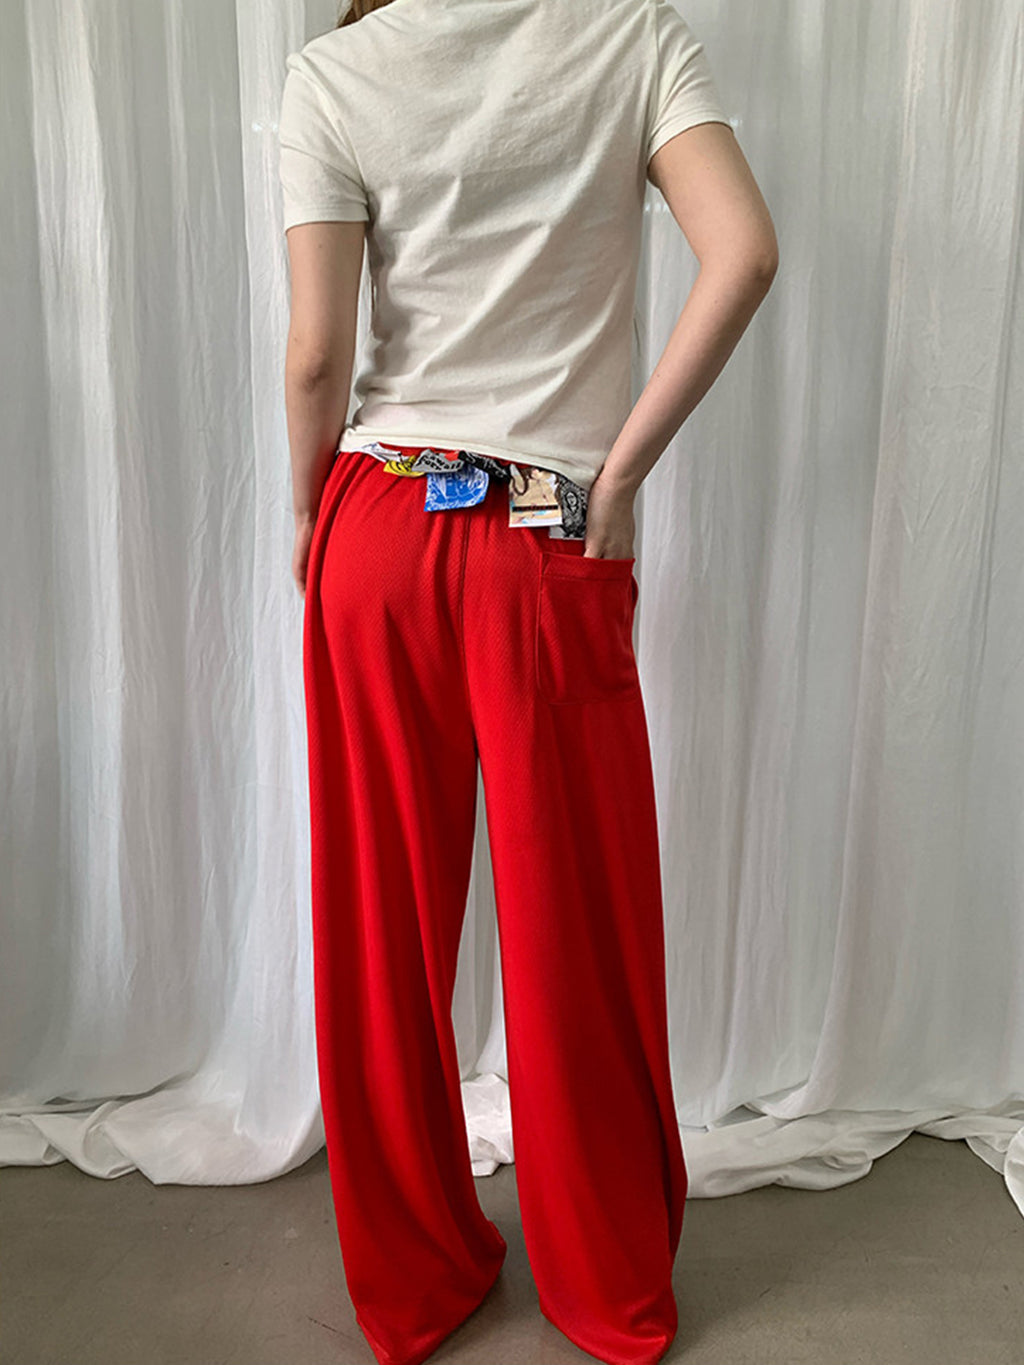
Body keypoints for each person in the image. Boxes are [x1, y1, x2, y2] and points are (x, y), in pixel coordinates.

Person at [277, 2, 777, 1363]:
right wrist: (621, 472)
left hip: (376, 528)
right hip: (547, 535)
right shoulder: (632, 38)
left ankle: (414, 1282)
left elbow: (317, 353)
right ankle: (608, 1287)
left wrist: (306, 517)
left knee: (381, 924)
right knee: (579, 919)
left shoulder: (335, 70)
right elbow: (742, 251)